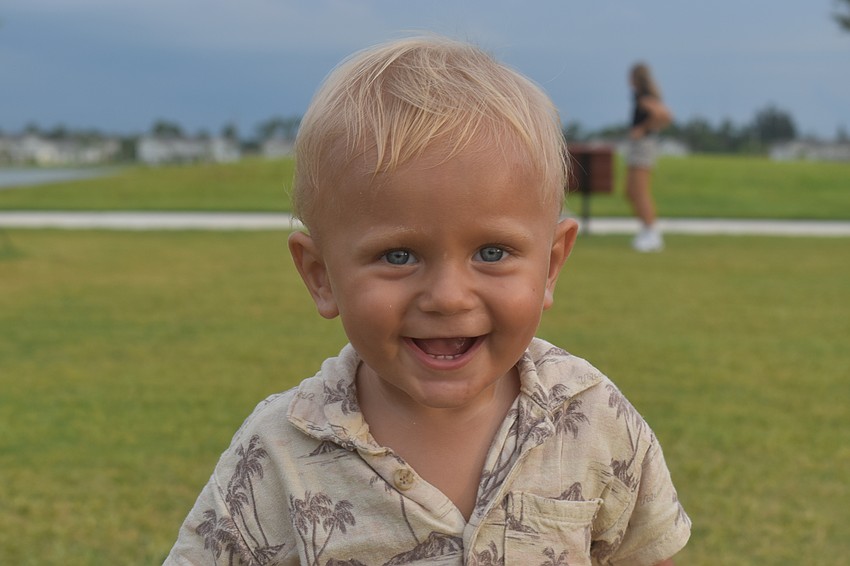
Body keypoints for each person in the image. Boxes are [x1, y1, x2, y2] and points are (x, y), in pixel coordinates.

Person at [164, 36, 690, 565]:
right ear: (320, 275)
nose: (448, 297)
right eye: (398, 256)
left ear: (551, 265)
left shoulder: (594, 418)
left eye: (491, 252)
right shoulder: (277, 453)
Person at [626, 62, 672, 252]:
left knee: (640, 191)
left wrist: (644, 129)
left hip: (643, 146)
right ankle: (646, 230)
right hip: (640, 146)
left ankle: (652, 233)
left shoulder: (645, 97)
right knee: (630, 190)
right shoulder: (641, 96)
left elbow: (665, 115)